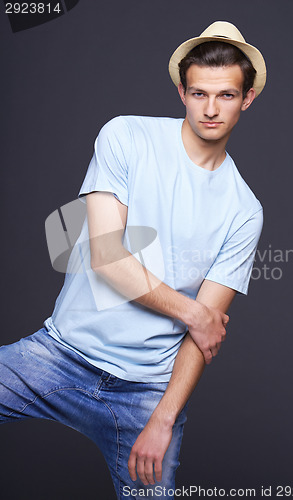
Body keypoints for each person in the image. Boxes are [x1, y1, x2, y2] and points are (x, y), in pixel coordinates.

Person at [0, 21, 266, 500]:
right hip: (58, 356)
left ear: (247, 99)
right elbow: (105, 254)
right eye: (199, 93)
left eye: (226, 95)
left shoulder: (244, 211)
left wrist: (162, 419)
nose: (210, 109)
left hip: (146, 391)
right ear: (181, 91)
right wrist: (192, 312)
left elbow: (200, 338)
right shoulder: (126, 136)